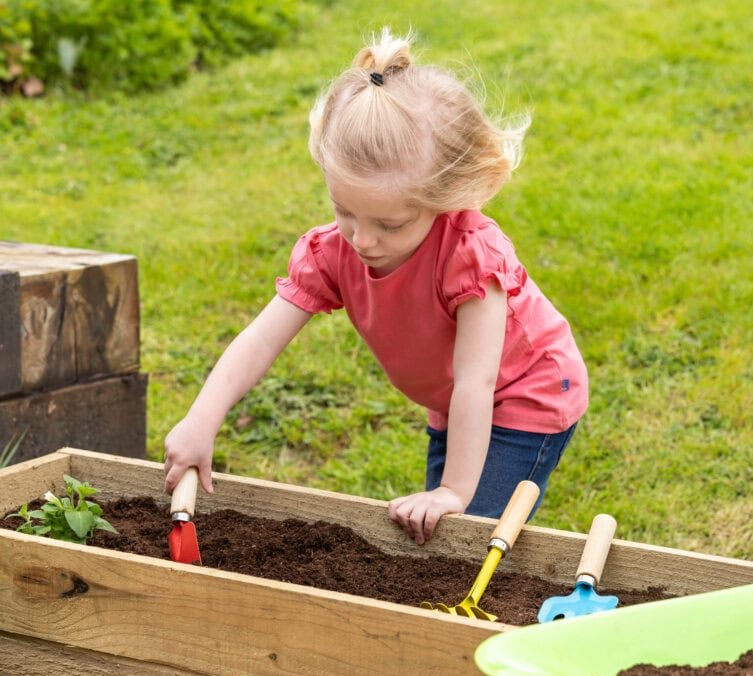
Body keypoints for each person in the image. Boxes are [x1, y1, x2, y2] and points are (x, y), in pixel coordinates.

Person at [164, 28, 588, 546]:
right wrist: (201, 420)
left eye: (390, 225)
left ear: (445, 199)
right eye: (345, 212)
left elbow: (477, 381)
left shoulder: (470, 257)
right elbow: (260, 339)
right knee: (438, 532)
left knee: (468, 534)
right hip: (453, 398)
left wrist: (454, 490)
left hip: (527, 389)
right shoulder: (332, 251)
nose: (363, 239)